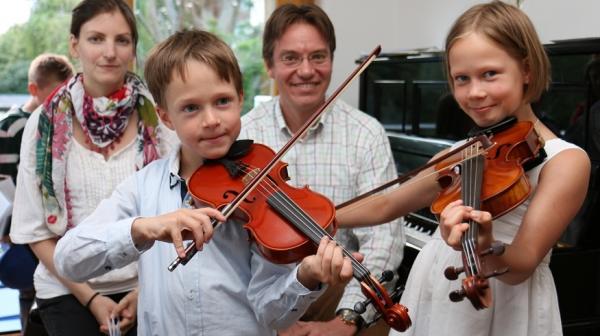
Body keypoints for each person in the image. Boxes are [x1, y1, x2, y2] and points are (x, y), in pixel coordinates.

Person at [53, 29, 359, 336]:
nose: (211, 119)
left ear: (240, 99)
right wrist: (143, 228)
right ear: (166, 117)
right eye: (191, 108)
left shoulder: (261, 190)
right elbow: (69, 260)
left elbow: (270, 315)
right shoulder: (143, 187)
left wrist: (305, 276)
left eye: (222, 101)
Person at [337, 2, 590, 335]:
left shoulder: (565, 161)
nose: (475, 92)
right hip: (438, 294)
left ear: (526, 70)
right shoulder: (465, 152)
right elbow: (387, 204)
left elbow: (522, 265)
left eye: (490, 74)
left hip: (507, 306)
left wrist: (484, 245)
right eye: (462, 79)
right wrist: (323, 213)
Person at [9, 1, 176, 335]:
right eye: (96, 38)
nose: (110, 52)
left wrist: (142, 291)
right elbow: (35, 231)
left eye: (122, 40)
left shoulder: (158, 120)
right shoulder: (44, 123)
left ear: (133, 48)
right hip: (68, 287)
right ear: (75, 44)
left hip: (150, 282)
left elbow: (176, 214)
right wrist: (92, 299)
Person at [239, 4, 404, 336]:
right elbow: (233, 250)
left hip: (342, 293)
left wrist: (347, 318)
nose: (306, 70)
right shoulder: (244, 136)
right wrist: (273, 317)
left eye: (318, 56)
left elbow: (383, 237)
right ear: (269, 65)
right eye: (290, 58)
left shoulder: (366, 132)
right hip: (262, 299)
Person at [0, 53, 74, 335]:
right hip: (21, 224)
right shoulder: (13, 126)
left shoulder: (59, 124)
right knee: (26, 284)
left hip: (54, 224)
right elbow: (5, 181)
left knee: (45, 284)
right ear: (34, 90)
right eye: (56, 93)